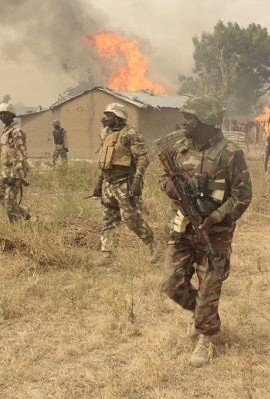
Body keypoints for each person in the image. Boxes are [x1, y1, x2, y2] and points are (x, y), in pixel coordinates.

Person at [159, 95, 252, 367]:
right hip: (181, 228)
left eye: (190, 117)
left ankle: (207, 335)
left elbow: (243, 194)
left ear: (206, 121)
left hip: (215, 233)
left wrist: (215, 217)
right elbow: (163, 177)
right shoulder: (178, 149)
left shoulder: (230, 153)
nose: (183, 121)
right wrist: (168, 186)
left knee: (210, 286)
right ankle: (201, 314)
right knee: (171, 285)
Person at [91, 102, 163, 266]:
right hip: (108, 184)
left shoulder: (131, 134)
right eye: (107, 116)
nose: (106, 119)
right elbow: (105, 162)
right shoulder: (107, 135)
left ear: (118, 117)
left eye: (110, 116)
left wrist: (137, 181)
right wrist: (98, 184)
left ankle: (155, 245)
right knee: (109, 220)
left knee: (131, 219)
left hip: (125, 183)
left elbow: (143, 159)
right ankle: (107, 255)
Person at [0, 103, 31, 222]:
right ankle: (23, 212)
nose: (2, 117)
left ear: (11, 115)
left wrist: (15, 176)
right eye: (0, 115)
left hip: (16, 170)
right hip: (6, 169)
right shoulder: (5, 131)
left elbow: (21, 154)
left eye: (5, 114)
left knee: (9, 201)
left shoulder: (16, 131)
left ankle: (16, 228)